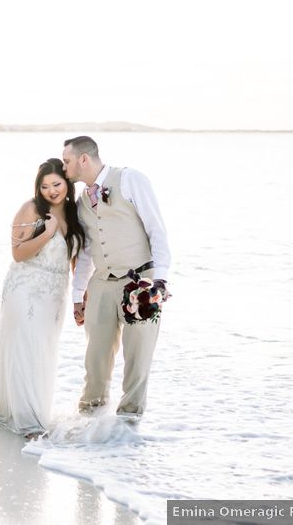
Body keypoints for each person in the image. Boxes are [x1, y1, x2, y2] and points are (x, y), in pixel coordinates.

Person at [0, 158, 85, 438]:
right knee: (25, 346)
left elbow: (76, 260)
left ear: (67, 184)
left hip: (55, 294)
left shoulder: (74, 213)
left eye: (56, 184)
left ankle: (26, 406)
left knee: (41, 350)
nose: (51, 191)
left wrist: (81, 296)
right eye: (45, 186)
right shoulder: (30, 209)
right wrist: (49, 232)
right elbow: (18, 253)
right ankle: (29, 423)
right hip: (24, 288)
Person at [62, 136, 171, 421]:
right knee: (95, 358)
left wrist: (159, 281)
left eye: (67, 161)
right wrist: (77, 295)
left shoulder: (130, 180)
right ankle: (88, 422)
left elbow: (157, 230)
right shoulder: (82, 200)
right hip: (101, 283)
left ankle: (126, 431)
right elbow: (86, 251)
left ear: (83, 159)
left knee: (137, 359)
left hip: (140, 281)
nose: (64, 168)